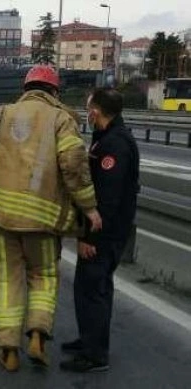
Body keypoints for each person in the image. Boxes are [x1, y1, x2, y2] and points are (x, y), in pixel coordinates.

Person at [0, 65, 102, 372]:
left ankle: (8, 348)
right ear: (55, 92)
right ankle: (37, 334)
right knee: (44, 276)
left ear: (25, 89)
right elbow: (74, 165)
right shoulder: (61, 119)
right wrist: (88, 206)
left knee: (6, 280)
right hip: (43, 222)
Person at [60, 88, 140, 373]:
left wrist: (89, 238)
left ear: (97, 110)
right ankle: (88, 340)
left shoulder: (115, 145)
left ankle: (95, 355)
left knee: (94, 289)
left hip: (104, 234)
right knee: (89, 288)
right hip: (106, 231)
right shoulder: (105, 137)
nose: (86, 112)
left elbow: (106, 198)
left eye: (88, 107)